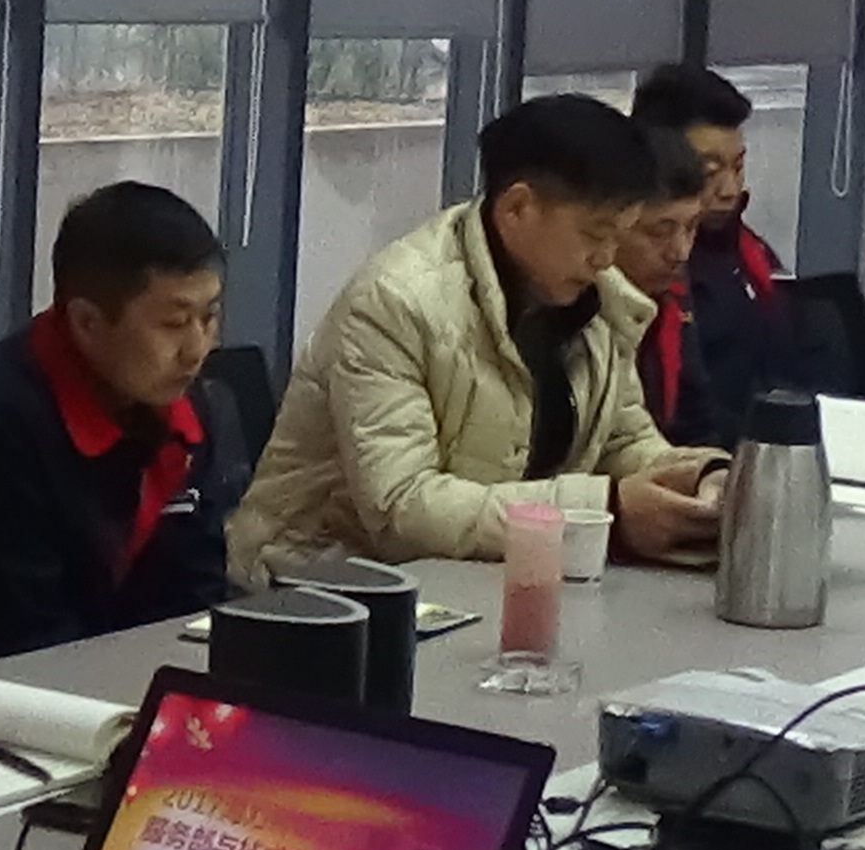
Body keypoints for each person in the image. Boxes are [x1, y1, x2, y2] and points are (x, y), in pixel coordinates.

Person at [233, 96, 725, 574]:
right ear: (517, 208)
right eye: (595, 235)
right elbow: (402, 509)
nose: (605, 260)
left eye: (619, 237)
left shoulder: (598, 301)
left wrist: (700, 479)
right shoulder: (395, 302)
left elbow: (624, 440)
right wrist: (606, 509)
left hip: (488, 575)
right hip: (321, 581)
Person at [0, 183, 251, 685]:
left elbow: (192, 601)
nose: (197, 349)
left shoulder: (187, 409)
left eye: (209, 317)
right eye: (173, 323)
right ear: (86, 322)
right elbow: (20, 644)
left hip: (111, 684)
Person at [629, 65, 822, 456]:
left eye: (738, 166)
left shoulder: (750, 254)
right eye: (710, 171)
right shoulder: (652, 271)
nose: (730, 189)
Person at [617, 130, 727, 449]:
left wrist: (711, 469)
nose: (680, 252)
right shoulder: (574, 306)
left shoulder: (672, 293)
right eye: (659, 232)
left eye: (691, 227)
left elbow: (695, 422)